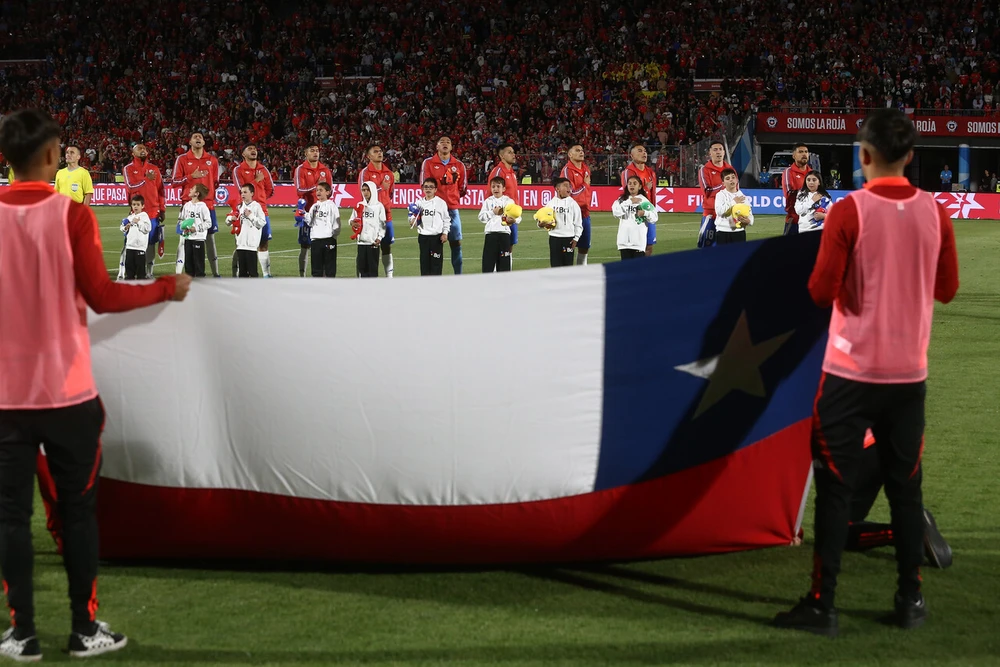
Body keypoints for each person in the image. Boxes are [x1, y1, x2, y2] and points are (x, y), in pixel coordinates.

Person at [0, 108, 191, 661]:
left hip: (6, 397)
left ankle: (22, 634)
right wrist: (165, 289)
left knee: (10, 518)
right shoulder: (72, 214)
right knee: (78, 513)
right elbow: (103, 296)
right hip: (67, 393)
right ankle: (84, 630)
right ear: (52, 155)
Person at [773, 108, 959, 637]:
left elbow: (820, 291)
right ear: (911, 156)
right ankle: (910, 600)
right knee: (906, 490)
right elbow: (947, 289)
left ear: (864, 155)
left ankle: (822, 604)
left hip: (850, 372)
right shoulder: (934, 212)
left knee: (836, 490)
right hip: (908, 376)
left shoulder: (849, 211)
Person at [845, 431, 953, 570]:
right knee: (906, 506)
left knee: (835, 530)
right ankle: (913, 526)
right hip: (907, 440)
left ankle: (905, 532)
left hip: (865, 446)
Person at [172, 132, 220, 277]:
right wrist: (191, 177)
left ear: (204, 142)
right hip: (188, 205)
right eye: (195, 137)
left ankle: (216, 273)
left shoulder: (212, 160)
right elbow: (174, 182)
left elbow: (215, 183)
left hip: (207, 205)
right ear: (190, 142)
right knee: (183, 239)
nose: (198, 138)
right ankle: (178, 274)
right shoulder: (182, 159)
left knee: (210, 240)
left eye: (200, 137)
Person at [420, 136, 468, 274]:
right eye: (442, 142)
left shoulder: (459, 165)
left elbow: (463, 188)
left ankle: (458, 276)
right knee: (432, 243)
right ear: (437, 146)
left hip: (452, 209)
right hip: (433, 210)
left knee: (456, 243)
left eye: (448, 142)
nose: (445, 144)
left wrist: (452, 197)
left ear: (451, 147)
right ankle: (431, 276)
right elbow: (424, 184)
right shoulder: (428, 163)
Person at [121, 143, 165, 279]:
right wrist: (146, 179)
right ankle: (122, 272)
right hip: (136, 213)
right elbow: (130, 186)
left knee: (151, 243)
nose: (143, 150)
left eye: (144, 148)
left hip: (153, 212)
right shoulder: (128, 168)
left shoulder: (154, 169)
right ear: (132, 153)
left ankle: (149, 272)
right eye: (139, 148)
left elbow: (161, 190)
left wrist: (162, 209)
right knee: (129, 242)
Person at [232, 145, 275, 277]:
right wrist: (256, 181)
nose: (253, 150)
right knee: (242, 244)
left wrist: (259, 200)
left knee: (263, 243)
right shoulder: (238, 170)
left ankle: (266, 274)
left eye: (254, 149)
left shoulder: (263, 169)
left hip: (261, 211)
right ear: (243, 154)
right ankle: (238, 272)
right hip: (243, 212)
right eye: (249, 149)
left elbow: (270, 190)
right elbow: (241, 189)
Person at [293, 145, 331, 277]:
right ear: (305, 153)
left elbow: (330, 191)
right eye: (312, 151)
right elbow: (299, 190)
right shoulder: (301, 169)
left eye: (317, 151)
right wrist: (317, 187)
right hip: (307, 212)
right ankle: (302, 276)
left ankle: (323, 275)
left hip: (323, 214)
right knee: (305, 246)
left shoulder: (325, 170)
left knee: (324, 245)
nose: (315, 153)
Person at [359, 145, 395, 278]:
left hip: (386, 215)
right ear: (369, 156)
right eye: (375, 151)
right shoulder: (365, 173)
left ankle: (389, 277)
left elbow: (390, 193)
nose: (379, 153)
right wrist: (380, 188)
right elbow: (363, 194)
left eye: (380, 151)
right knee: (366, 248)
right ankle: (363, 276)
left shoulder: (389, 173)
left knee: (386, 246)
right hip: (369, 217)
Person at [620, 143, 657, 256]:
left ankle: (645, 267)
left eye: (645, 151)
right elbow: (628, 193)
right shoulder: (628, 172)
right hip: (634, 215)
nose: (644, 153)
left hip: (647, 212)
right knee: (636, 248)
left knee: (649, 246)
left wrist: (652, 210)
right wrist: (645, 188)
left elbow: (652, 195)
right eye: (640, 151)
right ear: (632, 156)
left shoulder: (650, 172)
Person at [410, 177, 450, 276]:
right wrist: (412, 221)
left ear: (435, 189)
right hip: (423, 237)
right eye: (426, 187)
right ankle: (425, 284)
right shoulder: (418, 203)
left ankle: (436, 283)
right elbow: (412, 220)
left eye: (431, 187)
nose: (428, 189)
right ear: (422, 188)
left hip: (436, 238)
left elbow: (446, 219)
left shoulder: (441, 203)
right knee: (424, 264)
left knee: (436, 264)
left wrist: (445, 233)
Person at [560, 144, 593, 265]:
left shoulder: (586, 169)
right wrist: (585, 185)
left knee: (584, 247)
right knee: (569, 247)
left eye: (582, 150)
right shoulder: (567, 170)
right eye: (577, 150)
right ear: (570, 154)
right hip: (571, 216)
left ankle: (581, 272)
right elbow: (569, 193)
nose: (581, 152)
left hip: (584, 213)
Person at [478, 176, 519, 272]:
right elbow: (481, 217)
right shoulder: (488, 201)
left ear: (503, 188)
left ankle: (504, 280)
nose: (495, 189)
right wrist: (493, 212)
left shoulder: (509, 201)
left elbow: (518, 217)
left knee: (504, 264)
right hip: (490, 235)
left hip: (504, 235)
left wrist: (513, 220)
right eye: (493, 187)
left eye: (498, 186)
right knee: (488, 264)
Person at [612, 174, 658, 259]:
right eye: (629, 183)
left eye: (634, 183)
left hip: (638, 243)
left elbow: (654, 217)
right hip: (624, 243)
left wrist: (645, 213)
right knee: (626, 267)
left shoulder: (643, 201)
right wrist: (629, 202)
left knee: (637, 267)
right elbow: (616, 213)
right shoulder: (622, 200)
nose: (632, 185)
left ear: (640, 186)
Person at [697, 141, 733, 248]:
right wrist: (723, 185)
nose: (718, 152)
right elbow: (707, 191)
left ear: (724, 152)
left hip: (728, 216)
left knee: (728, 248)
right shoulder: (704, 170)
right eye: (715, 149)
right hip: (711, 215)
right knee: (706, 248)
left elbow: (735, 191)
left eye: (720, 149)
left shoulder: (731, 170)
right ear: (710, 153)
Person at [487, 143, 519, 262]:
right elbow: (490, 194)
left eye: (513, 152)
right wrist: (497, 213)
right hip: (501, 216)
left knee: (509, 246)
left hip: (512, 215)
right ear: (502, 156)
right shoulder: (498, 171)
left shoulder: (511, 172)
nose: (513, 154)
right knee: (500, 246)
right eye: (509, 152)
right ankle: (497, 270)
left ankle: (507, 269)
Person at [543, 177, 583, 267]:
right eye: (565, 186)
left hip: (568, 240)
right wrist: (541, 224)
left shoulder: (573, 204)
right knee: (555, 265)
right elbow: (542, 220)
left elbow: (578, 223)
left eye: (569, 186)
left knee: (567, 266)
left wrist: (576, 238)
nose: (569, 188)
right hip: (554, 239)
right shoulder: (550, 204)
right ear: (557, 189)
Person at [229, 183, 267, 278]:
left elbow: (262, 222)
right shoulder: (238, 207)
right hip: (240, 245)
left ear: (252, 193)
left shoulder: (256, 206)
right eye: (241, 192)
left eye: (245, 192)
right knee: (242, 274)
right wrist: (230, 219)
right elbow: (228, 221)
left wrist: (251, 216)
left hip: (251, 246)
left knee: (253, 273)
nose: (243, 194)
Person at [305, 182, 341, 277]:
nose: (318, 192)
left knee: (330, 268)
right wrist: (304, 215)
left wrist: (333, 236)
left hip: (329, 240)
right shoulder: (314, 206)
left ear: (328, 192)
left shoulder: (332, 206)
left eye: (321, 190)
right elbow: (310, 222)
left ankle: (330, 285)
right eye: (317, 190)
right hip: (316, 240)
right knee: (316, 269)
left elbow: (337, 223)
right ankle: (317, 286)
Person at [351, 181, 386, 278]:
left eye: (367, 190)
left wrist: (379, 238)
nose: (365, 192)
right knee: (362, 270)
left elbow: (382, 224)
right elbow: (351, 219)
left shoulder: (379, 206)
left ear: (373, 190)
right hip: (361, 243)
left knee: (373, 270)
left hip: (373, 242)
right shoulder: (359, 205)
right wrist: (352, 223)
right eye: (363, 190)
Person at [178, 183, 212, 277]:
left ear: (197, 193)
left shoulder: (203, 207)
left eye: (192, 188)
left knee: (199, 266)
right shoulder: (186, 205)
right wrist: (183, 227)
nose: (190, 190)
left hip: (198, 239)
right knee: (188, 266)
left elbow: (208, 223)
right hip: (188, 238)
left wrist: (196, 229)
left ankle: (200, 284)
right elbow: (181, 220)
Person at [713, 168, 754, 243]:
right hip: (723, 232)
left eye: (733, 177)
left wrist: (749, 221)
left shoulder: (743, 197)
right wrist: (734, 202)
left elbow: (750, 215)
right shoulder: (720, 195)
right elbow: (719, 211)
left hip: (739, 232)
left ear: (737, 180)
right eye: (727, 178)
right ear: (723, 183)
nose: (731, 180)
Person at [781, 143, 812, 235]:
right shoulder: (789, 172)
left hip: (810, 221)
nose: (804, 154)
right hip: (794, 220)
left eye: (806, 152)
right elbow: (789, 193)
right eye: (800, 152)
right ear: (794, 156)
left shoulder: (812, 173)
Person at [120, 195, 152, 280]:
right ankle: (129, 286)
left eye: (138, 204)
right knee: (129, 272)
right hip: (130, 247)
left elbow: (148, 228)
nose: (135, 206)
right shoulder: (130, 217)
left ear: (142, 206)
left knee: (140, 273)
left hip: (140, 248)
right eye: (134, 204)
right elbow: (122, 228)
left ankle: (141, 287)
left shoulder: (144, 216)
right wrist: (125, 228)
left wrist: (139, 222)